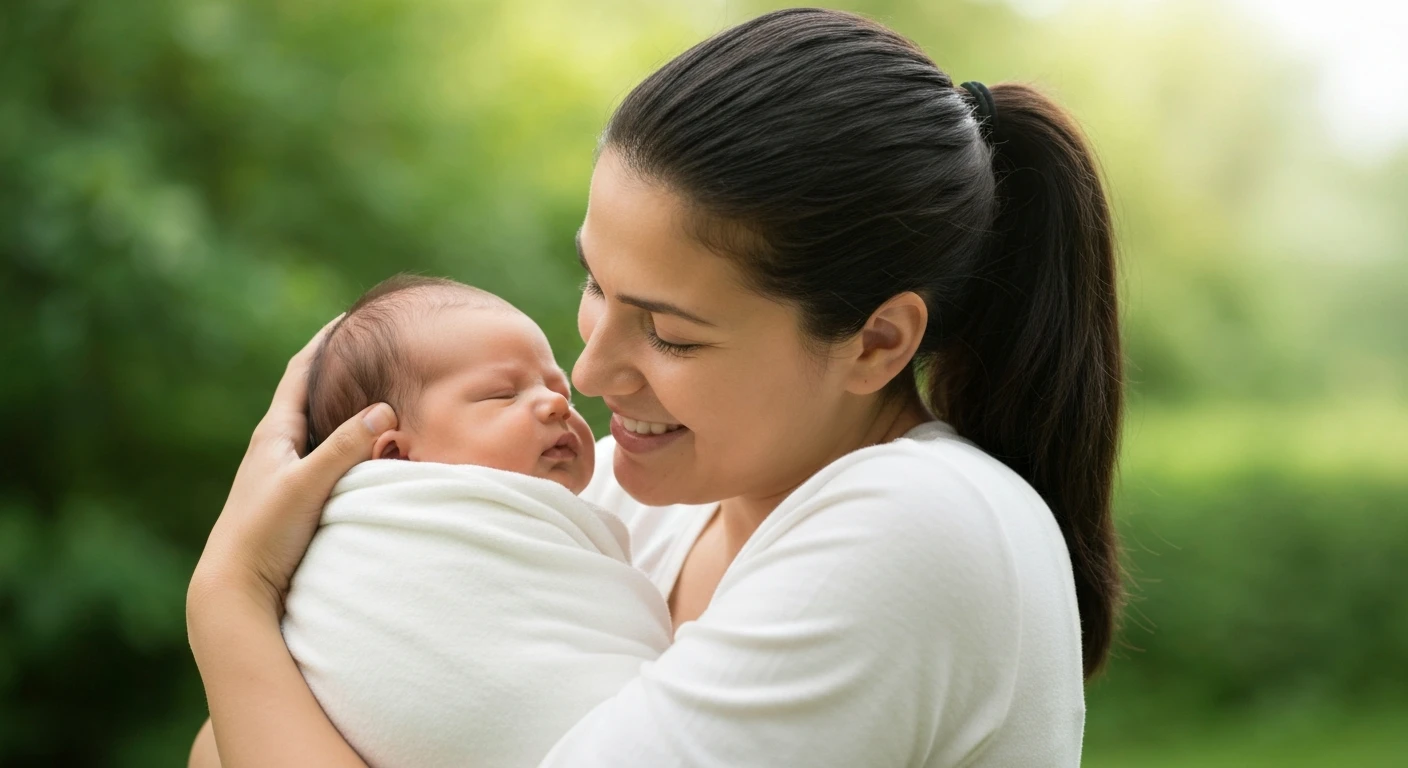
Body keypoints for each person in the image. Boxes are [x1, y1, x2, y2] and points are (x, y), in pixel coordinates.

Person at [187, 8, 1123, 767]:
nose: (586, 373)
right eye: (596, 283)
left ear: (876, 342)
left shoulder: (917, 527)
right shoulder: (618, 506)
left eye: (670, 334)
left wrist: (232, 603)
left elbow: (259, 719)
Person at [282, 274, 671, 767]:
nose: (556, 404)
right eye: (503, 395)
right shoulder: (377, 533)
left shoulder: (587, 508)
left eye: (559, 391)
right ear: (396, 457)